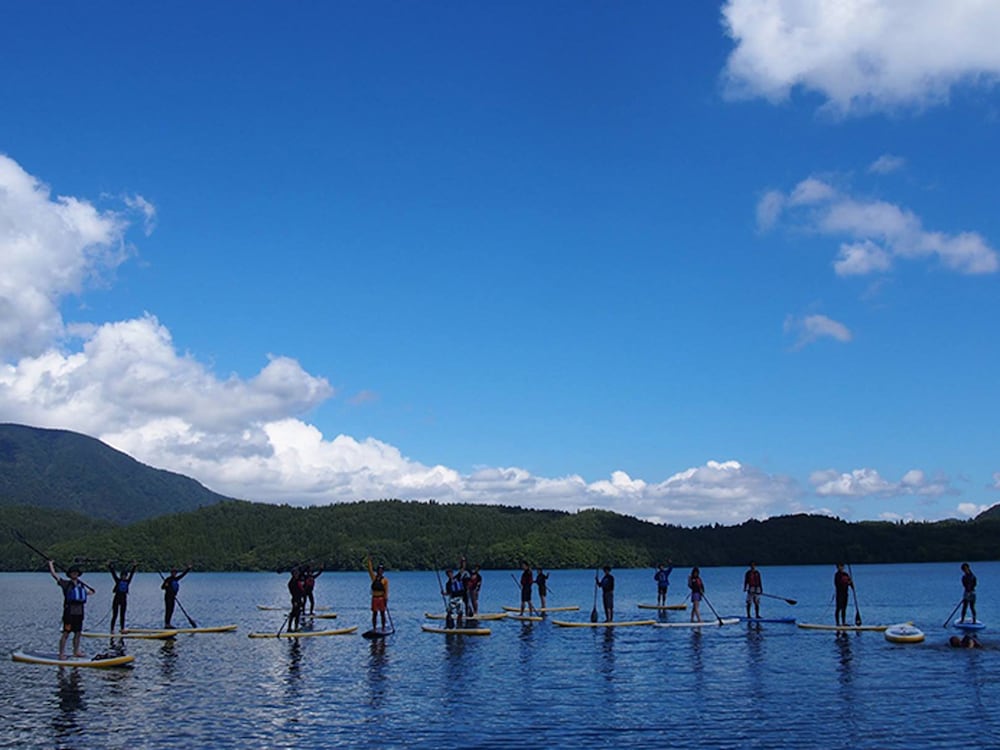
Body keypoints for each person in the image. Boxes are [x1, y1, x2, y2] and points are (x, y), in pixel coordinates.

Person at [49, 560, 95, 659]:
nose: (75, 574)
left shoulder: (81, 584)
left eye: (76, 573)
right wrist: (51, 564)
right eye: (73, 573)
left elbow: (83, 594)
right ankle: (61, 654)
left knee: (78, 633)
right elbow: (54, 575)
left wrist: (89, 593)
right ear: (70, 574)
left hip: (79, 612)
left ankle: (76, 651)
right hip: (69, 612)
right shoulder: (66, 584)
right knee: (66, 633)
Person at [108, 560, 137, 632]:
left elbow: (132, 574)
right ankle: (112, 629)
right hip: (116, 598)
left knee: (122, 615)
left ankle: (122, 628)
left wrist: (134, 566)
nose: (124, 577)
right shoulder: (118, 581)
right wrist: (110, 566)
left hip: (124, 599)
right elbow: (113, 574)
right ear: (121, 576)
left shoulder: (128, 581)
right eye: (123, 576)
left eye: (125, 576)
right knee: (115, 615)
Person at [161, 565, 191, 629]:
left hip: (173, 597)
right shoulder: (168, 579)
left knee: (171, 610)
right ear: (171, 573)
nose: (174, 573)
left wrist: (188, 569)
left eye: (175, 572)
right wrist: (166, 585)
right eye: (173, 572)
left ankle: (169, 623)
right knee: (168, 610)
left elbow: (183, 575)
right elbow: (162, 587)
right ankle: (167, 624)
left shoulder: (176, 579)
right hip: (168, 597)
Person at [366, 556, 389, 632]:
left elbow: (386, 590)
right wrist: (369, 561)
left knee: (382, 614)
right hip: (375, 598)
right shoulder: (374, 578)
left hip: (381, 598)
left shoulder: (385, 580)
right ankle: (374, 628)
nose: (380, 571)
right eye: (379, 570)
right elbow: (370, 570)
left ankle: (383, 628)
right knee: (374, 614)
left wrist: (386, 599)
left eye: (381, 570)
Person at [287, 567, 305, 631]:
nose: (298, 574)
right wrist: (295, 601)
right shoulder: (292, 582)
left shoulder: (296, 581)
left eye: (297, 573)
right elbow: (293, 592)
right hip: (295, 600)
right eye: (296, 573)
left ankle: (295, 627)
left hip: (298, 599)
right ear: (293, 574)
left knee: (297, 614)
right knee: (294, 614)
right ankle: (291, 628)